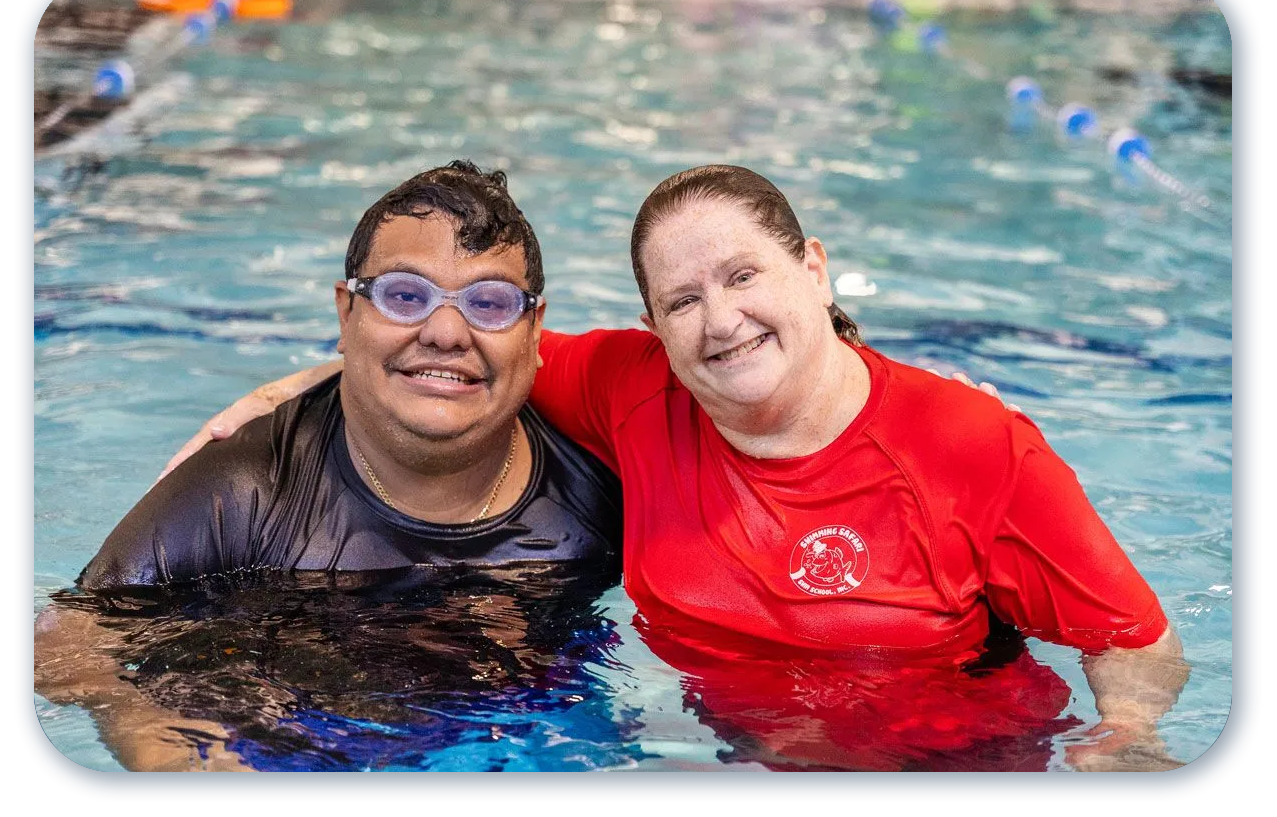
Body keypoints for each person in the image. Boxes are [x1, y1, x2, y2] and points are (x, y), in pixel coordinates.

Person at [160, 164, 1190, 770]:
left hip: (954, 761)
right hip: (743, 753)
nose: (721, 320)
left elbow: (1134, 639)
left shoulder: (972, 445)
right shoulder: (632, 386)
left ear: (814, 268)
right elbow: (451, 355)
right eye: (682, 299)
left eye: (743, 275)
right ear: (652, 324)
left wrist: (1128, 731)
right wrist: (280, 393)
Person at [35, 161, 624, 769]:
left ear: (535, 331)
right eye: (404, 295)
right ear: (347, 315)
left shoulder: (607, 489)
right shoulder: (247, 489)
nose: (447, 332)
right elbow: (65, 642)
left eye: (490, 303)